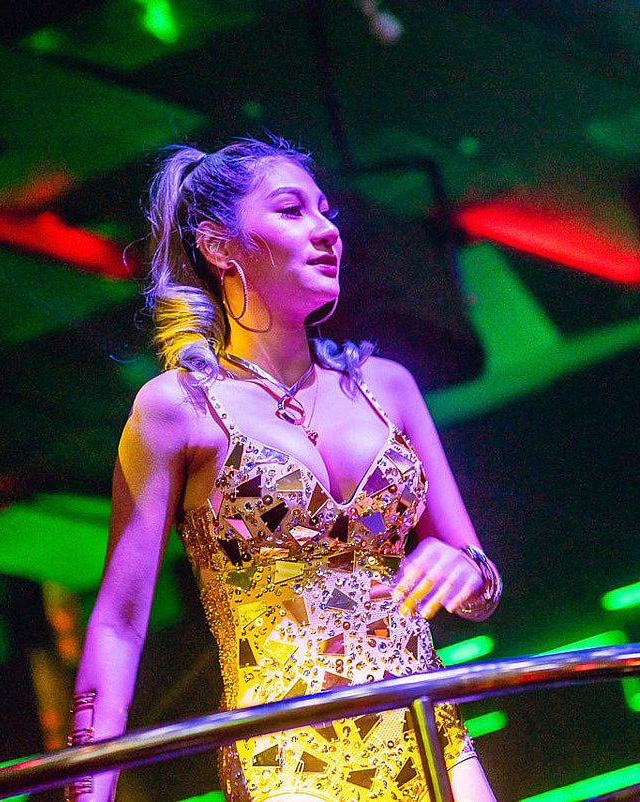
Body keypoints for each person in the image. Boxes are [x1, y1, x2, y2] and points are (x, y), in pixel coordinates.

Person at [69, 137, 501, 802]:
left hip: (430, 731)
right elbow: (118, 625)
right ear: (220, 246)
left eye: (326, 211)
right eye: (293, 210)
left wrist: (465, 570)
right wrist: (85, 791)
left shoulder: (388, 386)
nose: (327, 230)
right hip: (287, 759)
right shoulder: (177, 408)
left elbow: (478, 576)